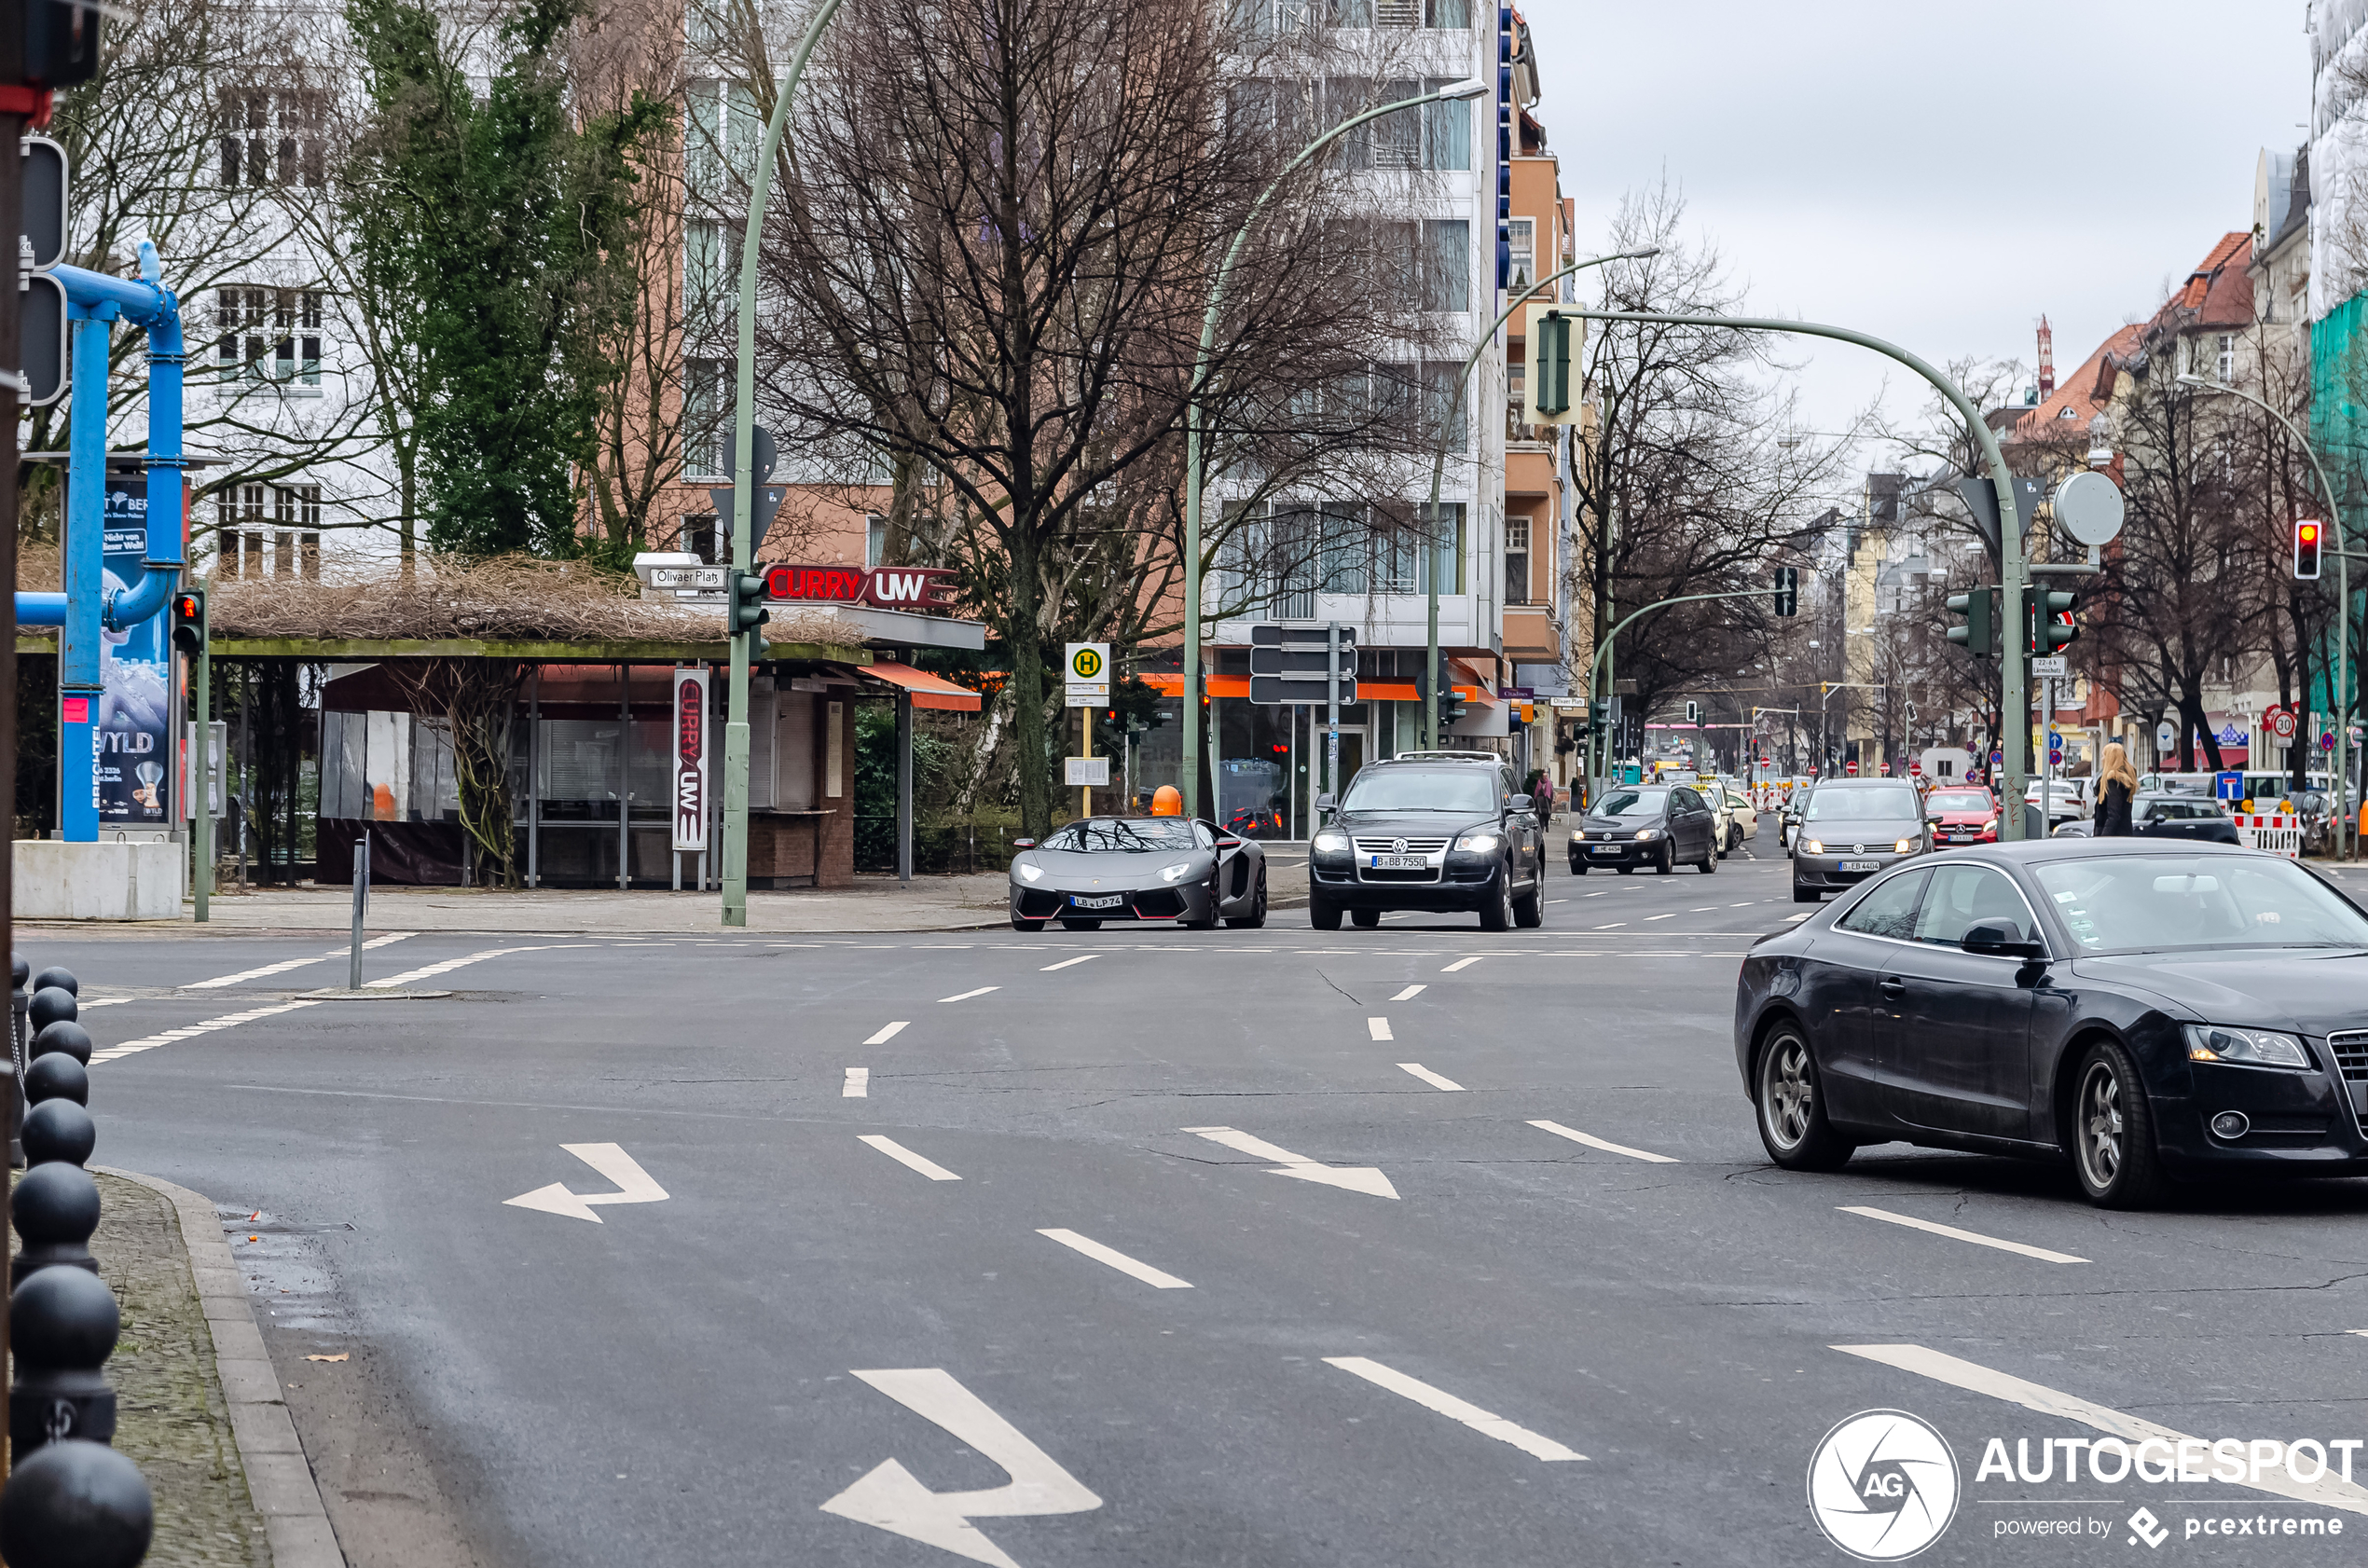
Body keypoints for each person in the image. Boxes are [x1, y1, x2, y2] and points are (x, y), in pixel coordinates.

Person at [2096, 742, 2138, 836]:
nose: (2102, 759)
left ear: (2110, 758)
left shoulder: (2113, 781)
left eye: (2103, 755)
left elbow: (2113, 815)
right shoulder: (2123, 781)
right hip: (2122, 836)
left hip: (2113, 839)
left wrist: (2103, 839)